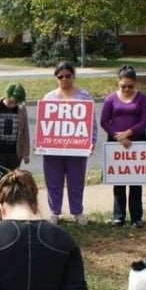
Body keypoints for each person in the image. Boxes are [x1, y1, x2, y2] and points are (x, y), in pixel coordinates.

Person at [42, 61, 98, 225]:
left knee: (76, 180)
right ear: (56, 78)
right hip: (53, 149)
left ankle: (77, 212)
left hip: (77, 147)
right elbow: (43, 124)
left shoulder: (84, 96)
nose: (64, 79)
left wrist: (92, 141)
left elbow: (91, 122)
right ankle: (54, 212)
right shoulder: (49, 97)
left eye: (68, 76)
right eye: (61, 77)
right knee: (53, 180)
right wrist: (40, 143)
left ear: (73, 76)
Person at [100, 65, 146, 227]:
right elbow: (104, 121)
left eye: (130, 86)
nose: (127, 89)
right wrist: (118, 137)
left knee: (136, 181)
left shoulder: (142, 98)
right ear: (118, 82)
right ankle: (119, 216)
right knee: (119, 180)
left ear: (135, 83)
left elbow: (145, 121)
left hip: (137, 143)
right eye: (123, 86)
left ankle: (136, 217)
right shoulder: (110, 99)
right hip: (116, 144)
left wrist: (128, 133)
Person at [0, 83, 30, 171]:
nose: (13, 105)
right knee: (0, 182)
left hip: (15, 153)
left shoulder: (22, 109)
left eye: (16, 102)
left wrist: (25, 154)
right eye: (11, 102)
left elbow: (25, 132)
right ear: (6, 96)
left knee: (13, 181)